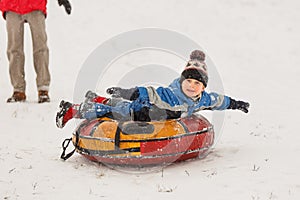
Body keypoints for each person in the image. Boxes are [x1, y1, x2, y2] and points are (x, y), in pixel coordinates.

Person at [56, 50, 250, 128]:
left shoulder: (203, 99)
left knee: (119, 107)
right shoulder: (172, 94)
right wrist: (125, 92)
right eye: (188, 81)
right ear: (181, 81)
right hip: (143, 110)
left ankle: (96, 98)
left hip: (155, 115)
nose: (191, 86)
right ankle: (74, 109)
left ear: (203, 87)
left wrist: (236, 104)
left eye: (197, 84)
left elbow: (219, 101)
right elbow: (147, 92)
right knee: (117, 111)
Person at [0, 0, 72, 103]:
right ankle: (18, 90)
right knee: (14, 49)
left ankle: (43, 88)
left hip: (35, 4)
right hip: (11, 5)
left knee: (40, 48)